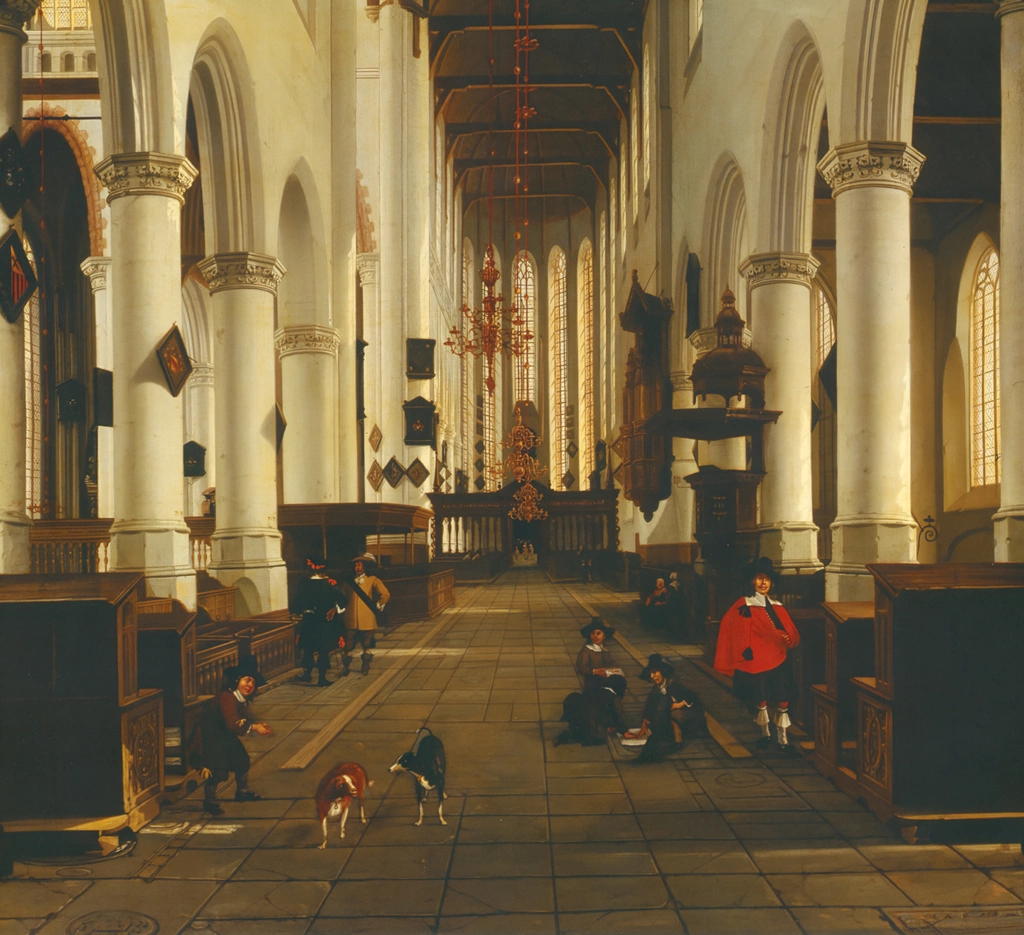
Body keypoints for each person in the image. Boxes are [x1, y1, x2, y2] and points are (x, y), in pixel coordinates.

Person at [714, 556, 801, 751]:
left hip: (779, 658)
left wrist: (788, 638)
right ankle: (766, 735)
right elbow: (733, 629)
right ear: (752, 581)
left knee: (782, 698)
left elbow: (791, 632)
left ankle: (783, 739)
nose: (763, 583)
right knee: (760, 698)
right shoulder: (745, 604)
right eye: (759, 578)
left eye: (767, 579)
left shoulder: (777, 605)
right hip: (756, 661)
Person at [195, 656, 272, 815]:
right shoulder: (227, 697)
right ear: (237, 680)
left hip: (225, 734)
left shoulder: (240, 698)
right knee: (219, 771)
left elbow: (240, 719)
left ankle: (242, 791)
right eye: (247, 680)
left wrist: (254, 725)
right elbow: (232, 722)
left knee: (242, 760)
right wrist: (254, 727)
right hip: (211, 736)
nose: (250, 685)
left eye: (252, 682)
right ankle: (209, 801)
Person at [626, 653, 705, 762]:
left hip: (688, 716)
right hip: (669, 716)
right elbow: (650, 705)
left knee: (670, 713)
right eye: (650, 674)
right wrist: (645, 722)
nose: (652, 676)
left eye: (654, 672)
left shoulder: (675, 684)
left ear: (663, 672)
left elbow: (693, 699)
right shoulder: (657, 688)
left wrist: (680, 704)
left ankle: (678, 741)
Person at [293, 558, 347, 686]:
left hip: (311, 621)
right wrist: (335, 609)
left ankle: (308, 675)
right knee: (321, 650)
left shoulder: (305, 583)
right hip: (321, 622)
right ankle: (320, 678)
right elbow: (343, 600)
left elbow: (296, 603)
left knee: (309, 649)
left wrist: (300, 613)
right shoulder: (329, 583)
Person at [341, 552, 390, 676]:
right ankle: (345, 667)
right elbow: (342, 596)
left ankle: (365, 664)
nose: (357, 568)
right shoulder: (348, 581)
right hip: (350, 618)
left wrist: (379, 604)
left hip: (367, 617)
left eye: (360, 565)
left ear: (365, 567)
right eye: (356, 565)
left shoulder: (373, 580)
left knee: (367, 643)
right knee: (348, 644)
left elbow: (385, 594)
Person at [554, 674, 628, 746]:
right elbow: (619, 715)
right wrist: (624, 731)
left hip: (579, 722)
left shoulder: (594, 689)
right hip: (594, 731)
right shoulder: (614, 697)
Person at [575, 618, 623, 691]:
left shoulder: (605, 649)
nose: (595, 636)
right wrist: (595, 671)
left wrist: (614, 669)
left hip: (607, 680)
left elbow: (612, 662)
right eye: (592, 633)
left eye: (598, 633)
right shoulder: (587, 650)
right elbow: (581, 668)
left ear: (604, 636)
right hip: (592, 682)